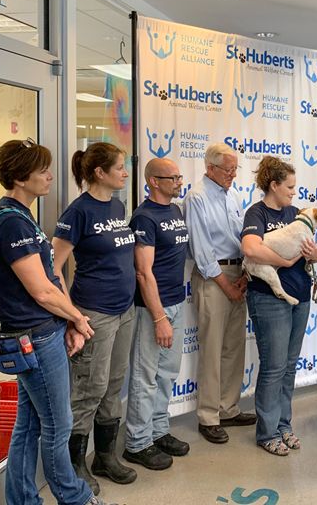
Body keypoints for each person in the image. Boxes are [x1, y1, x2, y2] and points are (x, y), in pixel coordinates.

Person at [0, 139, 108, 505]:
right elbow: (41, 291)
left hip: (43, 332)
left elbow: (53, 280)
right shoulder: (11, 224)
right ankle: (75, 497)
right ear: (21, 178)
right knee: (58, 425)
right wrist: (79, 319)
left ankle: (22, 499)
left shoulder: (22, 217)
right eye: (42, 170)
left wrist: (68, 322)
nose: (51, 176)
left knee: (30, 424)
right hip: (34, 337)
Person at [53, 142, 137, 493]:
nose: (125, 172)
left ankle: (105, 456)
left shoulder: (117, 205)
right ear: (99, 173)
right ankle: (75, 465)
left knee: (113, 384)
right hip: (94, 313)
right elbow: (54, 267)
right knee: (89, 388)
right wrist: (72, 315)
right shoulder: (78, 211)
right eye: (120, 167)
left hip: (125, 310)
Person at [241, 156, 317, 456]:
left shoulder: (297, 214)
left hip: (300, 296)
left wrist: (315, 254)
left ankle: (283, 425)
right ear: (273, 185)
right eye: (289, 186)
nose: (293, 191)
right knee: (274, 367)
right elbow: (251, 249)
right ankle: (267, 432)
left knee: (289, 367)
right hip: (269, 299)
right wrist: (286, 261)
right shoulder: (257, 213)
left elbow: (312, 254)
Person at [183, 143, 255, 444]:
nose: (232, 175)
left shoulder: (233, 195)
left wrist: (245, 276)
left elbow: (241, 238)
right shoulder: (196, 197)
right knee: (212, 348)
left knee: (234, 347)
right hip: (214, 277)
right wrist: (227, 285)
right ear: (210, 167)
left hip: (239, 273)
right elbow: (202, 250)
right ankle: (209, 416)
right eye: (227, 170)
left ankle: (229, 407)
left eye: (235, 169)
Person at [123, 158, 191, 469]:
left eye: (179, 176)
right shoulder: (144, 218)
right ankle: (137, 443)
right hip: (153, 307)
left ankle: (158, 430)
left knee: (166, 373)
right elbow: (142, 272)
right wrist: (159, 317)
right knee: (145, 376)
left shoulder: (174, 211)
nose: (179, 182)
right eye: (172, 177)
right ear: (153, 181)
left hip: (177, 301)